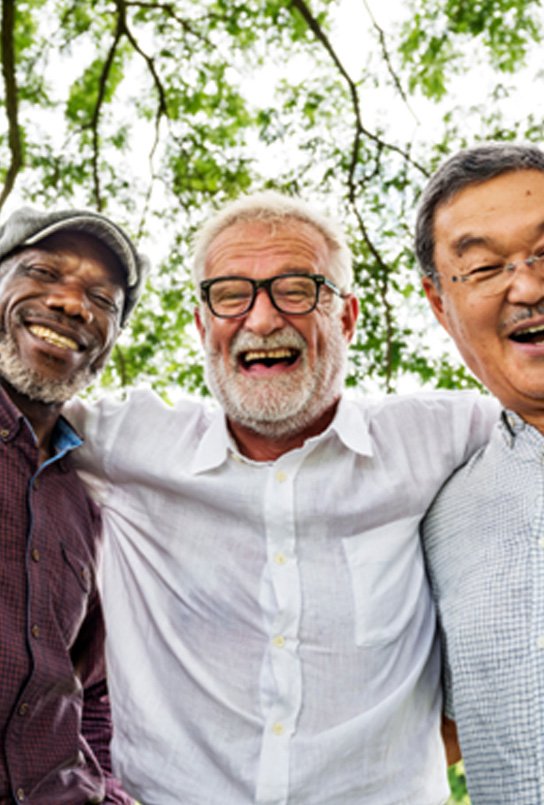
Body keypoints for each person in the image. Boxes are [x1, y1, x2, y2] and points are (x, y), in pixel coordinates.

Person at [67, 191, 498, 804]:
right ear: (202, 325)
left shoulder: (441, 437)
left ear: (346, 318)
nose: (263, 319)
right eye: (230, 295)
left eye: (297, 290)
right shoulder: (121, 446)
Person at [0, 206, 148, 804]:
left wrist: (108, 789)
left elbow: (94, 692)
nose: (71, 304)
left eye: (103, 300)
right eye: (43, 272)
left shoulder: (87, 503)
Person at [417, 142, 544, 803]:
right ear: (440, 305)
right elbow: (419, 735)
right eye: (485, 267)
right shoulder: (440, 521)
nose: (528, 287)